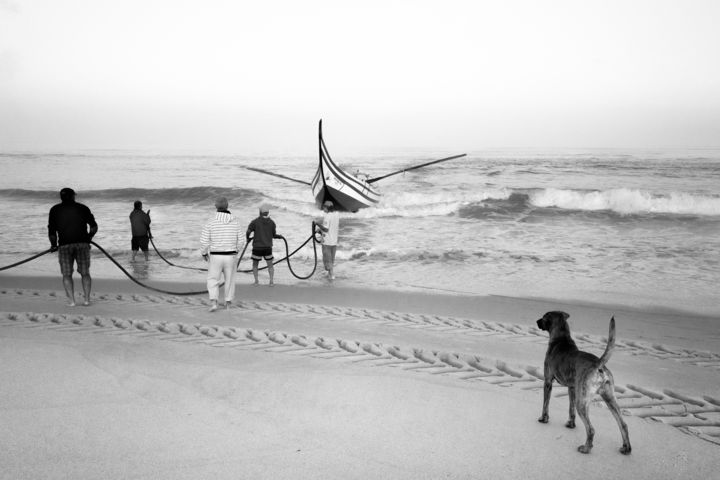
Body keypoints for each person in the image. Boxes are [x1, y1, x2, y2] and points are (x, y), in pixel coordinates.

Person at [47, 187, 98, 306]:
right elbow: (94, 227)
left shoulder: (54, 210)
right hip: (82, 245)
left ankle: (72, 301)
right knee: (85, 273)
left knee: (66, 274)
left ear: (61, 197)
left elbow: (52, 232)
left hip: (64, 246)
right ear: (73, 196)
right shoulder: (83, 208)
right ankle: (86, 300)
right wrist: (89, 238)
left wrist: (53, 245)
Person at [200, 197, 242, 312]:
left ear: (215, 206)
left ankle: (214, 303)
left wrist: (204, 253)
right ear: (227, 206)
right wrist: (236, 251)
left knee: (213, 279)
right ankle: (228, 303)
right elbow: (241, 241)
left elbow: (204, 240)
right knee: (230, 280)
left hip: (216, 256)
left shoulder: (210, 221)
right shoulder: (236, 221)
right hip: (231, 256)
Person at [246, 204, 282, 286]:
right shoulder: (272, 222)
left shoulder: (255, 222)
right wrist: (279, 236)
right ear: (267, 212)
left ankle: (256, 282)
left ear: (260, 212)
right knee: (270, 265)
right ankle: (271, 282)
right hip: (268, 247)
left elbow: (248, 231)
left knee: (255, 265)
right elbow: (273, 235)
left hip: (257, 247)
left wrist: (247, 238)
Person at [316, 200, 340, 280]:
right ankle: (330, 275)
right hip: (334, 242)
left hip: (327, 242)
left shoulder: (327, 216)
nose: (323, 209)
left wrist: (317, 224)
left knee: (327, 261)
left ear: (327, 207)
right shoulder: (336, 215)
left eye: (324, 207)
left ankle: (332, 276)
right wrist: (319, 231)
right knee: (331, 261)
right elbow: (331, 228)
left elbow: (326, 229)